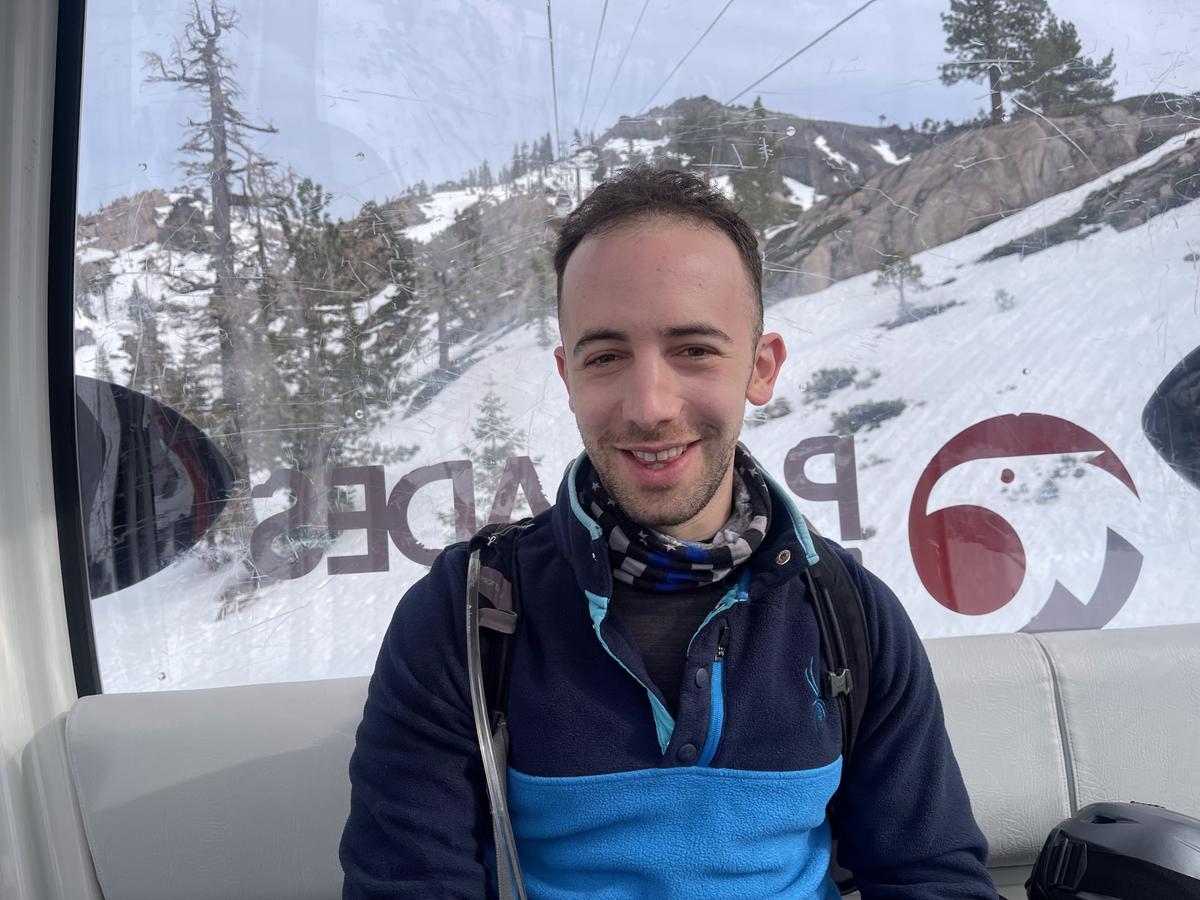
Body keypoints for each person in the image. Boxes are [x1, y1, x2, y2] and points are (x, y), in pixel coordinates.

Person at [340, 166, 997, 898]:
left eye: (693, 349)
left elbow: (931, 878)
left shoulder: (850, 615)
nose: (649, 405)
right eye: (606, 356)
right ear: (568, 375)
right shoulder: (467, 615)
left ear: (761, 365)